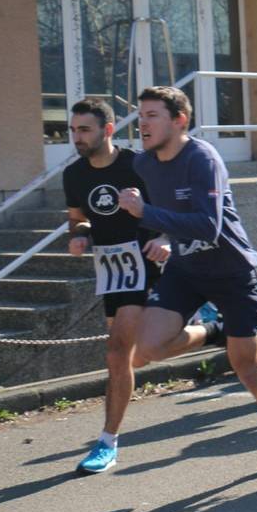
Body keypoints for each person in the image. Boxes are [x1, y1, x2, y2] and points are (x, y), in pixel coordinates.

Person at [121, 85, 257, 473]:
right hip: (186, 270)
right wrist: (160, 235)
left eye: (152, 116)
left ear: (179, 120)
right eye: (141, 117)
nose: (143, 125)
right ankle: (212, 332)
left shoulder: (203, 159)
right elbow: (165, 211)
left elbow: (207, 224)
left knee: (246, 366)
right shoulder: (145, 164)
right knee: (149, 347)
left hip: (232, 271)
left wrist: (148, 216)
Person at [64, 100, 159, 474]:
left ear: (108, 129)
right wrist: (80, 237)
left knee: (118, 354)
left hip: (149, 263)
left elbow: (172, 209)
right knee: (130, 357)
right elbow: (78, 220)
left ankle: (106, 442)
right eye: (73, 130)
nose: (77, 137)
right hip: (112, 270)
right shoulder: (74, 175)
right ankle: (203, 328)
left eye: (84, 130)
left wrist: (165, 237)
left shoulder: (138, 165)